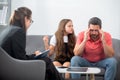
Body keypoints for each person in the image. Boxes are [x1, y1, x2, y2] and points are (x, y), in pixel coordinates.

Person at [0, 7, 63, 80]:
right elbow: (21, 59)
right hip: (13, 68)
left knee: (45, 67)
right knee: (47, 61)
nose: (30, 24)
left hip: (7, 67)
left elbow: (17, 56)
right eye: (31, 21)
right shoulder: (19, 31)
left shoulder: (8, 29)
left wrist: (34, 55)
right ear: (26, 19)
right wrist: (34, 56)